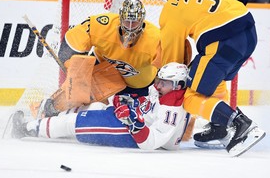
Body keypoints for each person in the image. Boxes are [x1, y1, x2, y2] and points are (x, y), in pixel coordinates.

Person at [159, 0, 265, 156]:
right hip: (249, 30)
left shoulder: (170, 10)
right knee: (213, 80)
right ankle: (219, 127)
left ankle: (240, 124)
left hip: (222, 42)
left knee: (190, 96)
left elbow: (173, 62)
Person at [11, 62, 191, 150]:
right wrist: (127, 102)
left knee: (74, 122)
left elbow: (149, 142)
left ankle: (26, 129)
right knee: (95, 106)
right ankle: (46, 122)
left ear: (178, 86)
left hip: (132, 135)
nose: (157, 85)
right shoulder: (167, 92)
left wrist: (132, 120)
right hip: (135, 122)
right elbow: (148, 104)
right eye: (158, 80)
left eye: (163, 83)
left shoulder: (172, 110)